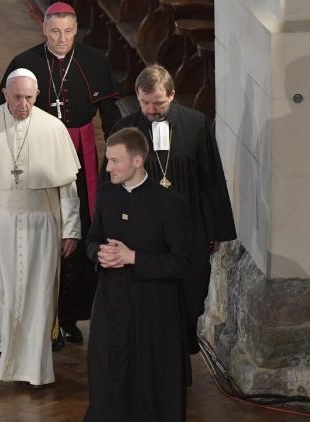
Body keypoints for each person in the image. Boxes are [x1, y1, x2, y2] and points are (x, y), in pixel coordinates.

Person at [0, 1, 121, 347]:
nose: (61, 39)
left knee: (75, 236)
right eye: (54, 32)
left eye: (67, 31)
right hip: (37, 160)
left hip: (80, 158)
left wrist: (120, 161)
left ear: (76, 30)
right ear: (43, 29)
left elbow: (110, 116)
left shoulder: (94, 61)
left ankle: (68, 316)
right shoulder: (25, 63)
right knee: (39, 235)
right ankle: (39, 316)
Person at [0, 69, 81, 386]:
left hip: (41, 224)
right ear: (4, 93)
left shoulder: (53, 129)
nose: (22, 104)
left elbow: (67, 186)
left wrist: (71, 229)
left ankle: (33, 360)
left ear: (36, 96)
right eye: (16, 97)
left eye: (28, 97)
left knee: (36, 292)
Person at [110, 64, 237, 355]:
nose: (151, 110)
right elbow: (113, 185)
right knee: (149, 302)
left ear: (173, 95)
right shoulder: (125, 130)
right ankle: (152, 361)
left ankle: (178, 362)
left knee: (190, 296)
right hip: (143, 236)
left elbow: (211, 178)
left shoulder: (195, 124)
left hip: (188, 230)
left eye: (158, 103)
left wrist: (215, 229)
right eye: (144, 103)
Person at [86, 127, 191, 421]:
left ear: (137, 161)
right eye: (108, 160)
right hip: (111, 306)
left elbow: (182, 264)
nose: (108, 168)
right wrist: (98, 254)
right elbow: (92, 239)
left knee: (149, 386)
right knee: (108, 379)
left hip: (152, 313)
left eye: (115, 161)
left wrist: (134, 258)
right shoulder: (106, 194)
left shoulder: (170, 204)